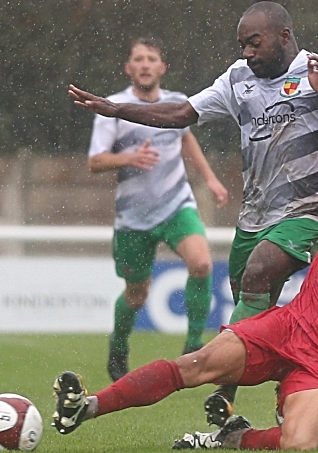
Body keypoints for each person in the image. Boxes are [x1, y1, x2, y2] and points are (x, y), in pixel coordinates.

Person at [50, 138, 318, 451]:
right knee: (196, 365)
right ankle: (85, 408)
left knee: (301, 443)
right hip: (286, 325)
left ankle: (234, 438)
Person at [69, 2, 318, 424]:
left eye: (255, 42)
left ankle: (221, 389)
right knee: (251, 316)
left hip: (309, 210)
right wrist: (119, 110)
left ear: (284, 37)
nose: (247, 52)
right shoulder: (238, 78)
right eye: (242, 44)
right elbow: (182, 114)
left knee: (257, 273)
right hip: (254, 217)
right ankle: (276, 384)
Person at [86, 37, 229, 381]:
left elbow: (185, 138)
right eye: (139, 59)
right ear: (129, 68)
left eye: (152, 59)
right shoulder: (114, 107)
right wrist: (129, 157)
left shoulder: (177, 103)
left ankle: (194, 344)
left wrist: (209, 178)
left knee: (202, 263)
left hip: (176, 204)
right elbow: (95, 161)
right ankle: (119, 343)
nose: (146, 64)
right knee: (137, 295)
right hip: (133, 218)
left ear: (162, 68)